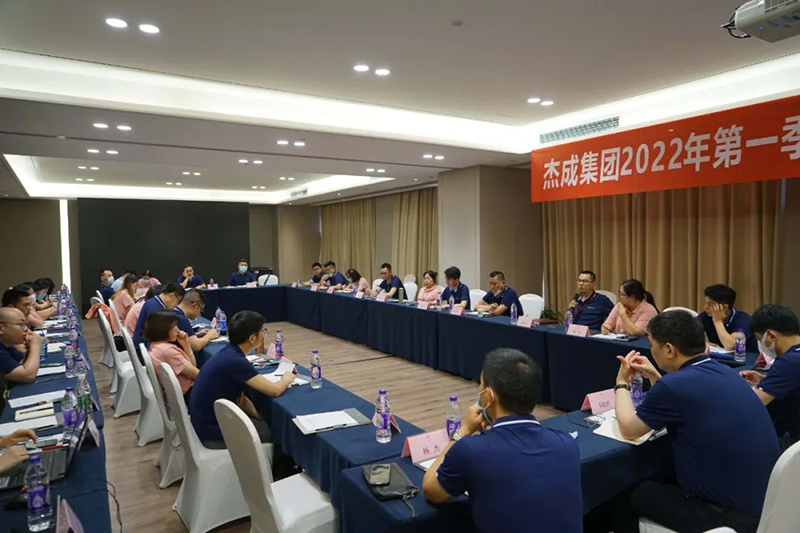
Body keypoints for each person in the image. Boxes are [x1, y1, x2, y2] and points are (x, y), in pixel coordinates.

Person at [613, 311, 779, 533]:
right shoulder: (726, 372)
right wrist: (655, 377)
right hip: (766, 506)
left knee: (625, 495)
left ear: (669, 349)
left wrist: (622, 383)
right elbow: (684, 399)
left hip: (729, 517)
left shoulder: (674, 386)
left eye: (652, 345)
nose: (650, 351)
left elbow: (629, 429)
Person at [423, 348, 582, 532]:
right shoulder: (567, 443)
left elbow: (431, 490)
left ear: (488, 396)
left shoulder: (471, 450)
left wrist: (463, 430)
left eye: (481, 386)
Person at [190, 310, 294, 449]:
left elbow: (241, 397)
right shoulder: (236, 361)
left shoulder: (228, 352)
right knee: (279, 435)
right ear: (252, 338)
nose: (264, 334)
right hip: (214, 431)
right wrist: (287, 378)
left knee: (263, 423)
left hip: (204, 423)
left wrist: (258, 416)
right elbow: (274, 391)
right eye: (263, 331)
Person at [740, 305, 800, 444]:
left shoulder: (789, 361)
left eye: (759, 339)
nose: (760, 344)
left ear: (771, 335)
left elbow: (754, 403)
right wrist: (766, 379)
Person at [145, 310, 199, 406]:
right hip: (189, 394)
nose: (178, 330)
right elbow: (197, 375)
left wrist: (186, 345)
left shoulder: (155, 346)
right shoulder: (169, 352)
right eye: (174, 326)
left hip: (181, 394)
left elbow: (192, 367)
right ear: (163, 329)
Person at [697, 283, 756, 352]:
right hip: (720, 356)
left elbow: (730, 345)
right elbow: (688, 333)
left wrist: (717, 321)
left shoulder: (743, 320)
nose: (705, 307)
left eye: (710, 304)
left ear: (724, 307)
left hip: (746, 357)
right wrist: (704, 343)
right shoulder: (706, 316)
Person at [133, 282, 185, 353]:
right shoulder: (155, 309)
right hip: (144, 349)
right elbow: (160, 335)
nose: (177, 305)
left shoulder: (153, 302)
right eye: (178, 301)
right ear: (172, 295)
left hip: (143, 345)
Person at [0, 308, 42, 384]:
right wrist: (35, 346)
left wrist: (29, 349)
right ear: (1, 328)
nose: (26, 330)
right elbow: (27, 376)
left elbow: (22, 364)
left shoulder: (7, 343)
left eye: (26, 325)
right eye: (21, 325)